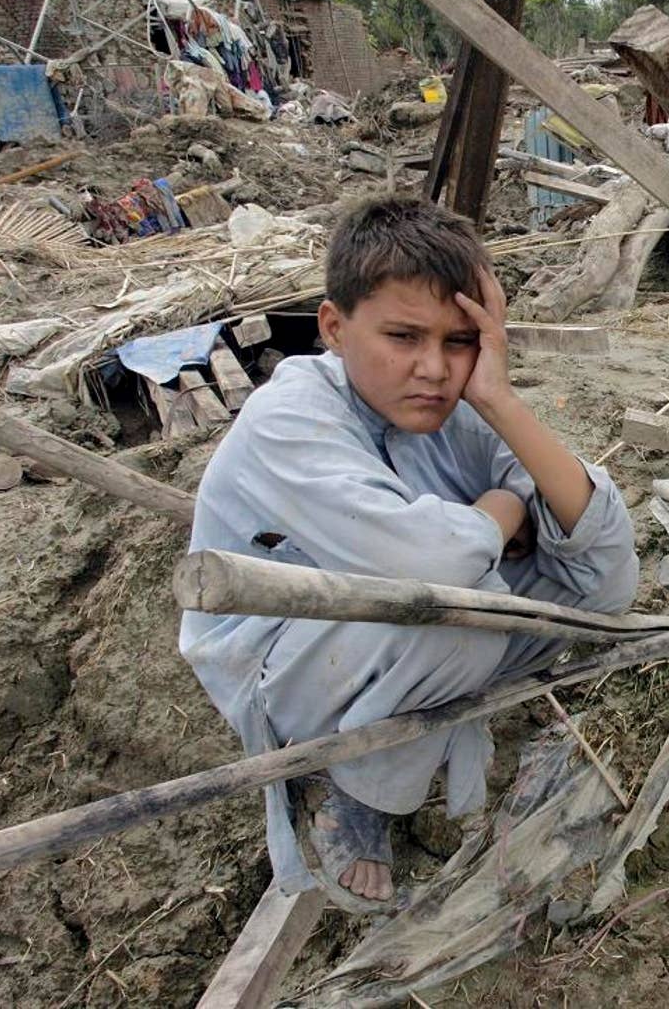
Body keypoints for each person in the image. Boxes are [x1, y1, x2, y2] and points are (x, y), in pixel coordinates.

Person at [179, 195, 639, 910]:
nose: (432, 369)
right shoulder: (291, 415)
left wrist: (500, 402)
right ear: (333, 327)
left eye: (459, 341)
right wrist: (501, 509)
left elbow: (606, 574)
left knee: (572, 602)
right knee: (457, 622)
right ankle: (345, 787)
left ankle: (395, 745)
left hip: (392, 640)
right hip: (281, 668)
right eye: (403, 336)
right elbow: (434, 569)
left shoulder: (456, 412)